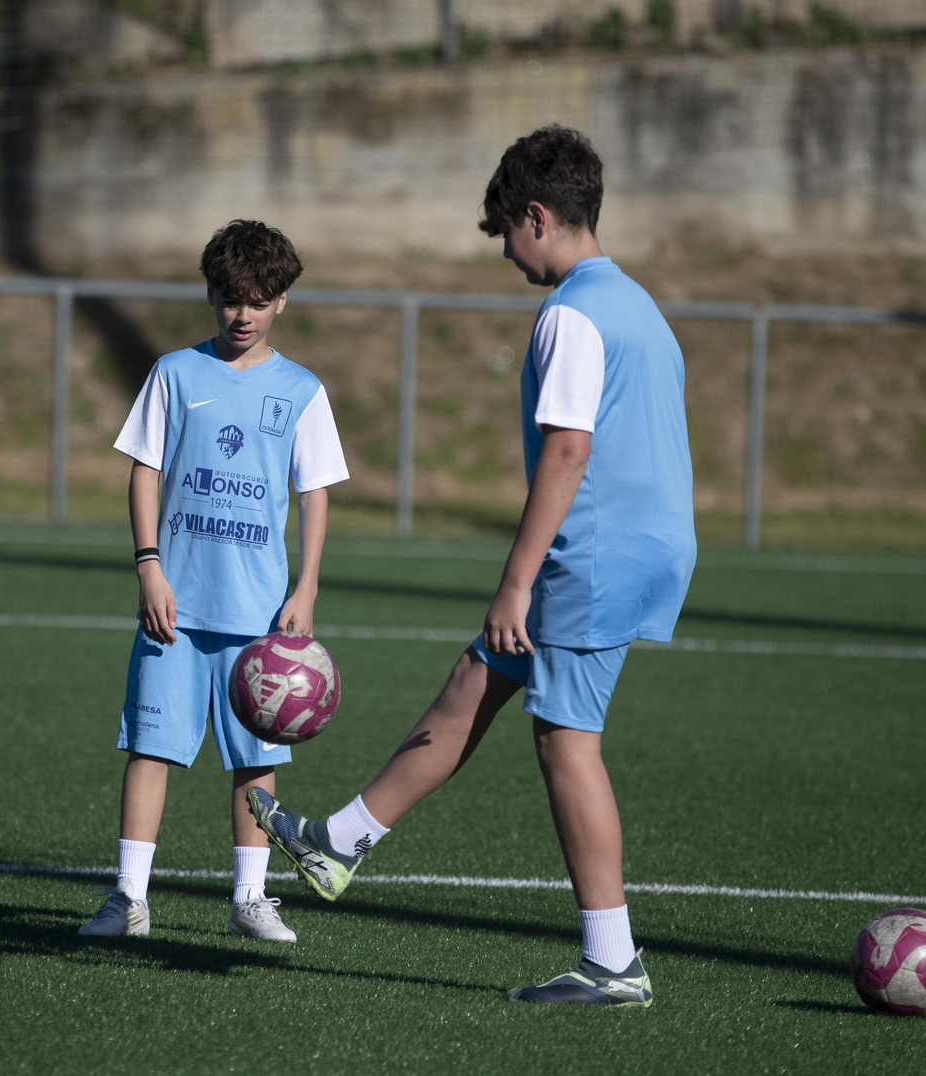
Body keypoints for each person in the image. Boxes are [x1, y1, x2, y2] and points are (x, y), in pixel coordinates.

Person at [249, 126, 697, 1006]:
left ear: (537, 215)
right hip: (650, 544)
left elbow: (569, 452)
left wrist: (518, 580)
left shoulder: (570, 312)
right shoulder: (637, 303)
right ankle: (341, 841)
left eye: (505, 232)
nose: (507, 253)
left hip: (594, 553)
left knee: (565, 740)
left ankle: (614, 962)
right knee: (479, 676)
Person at [79, 220, 350, 942]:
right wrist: (149, 567)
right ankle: (127, 899)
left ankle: (250, 899)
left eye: (259, 300)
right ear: (210, 295)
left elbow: (314, 492)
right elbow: (145, 469)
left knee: (257, 759)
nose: (243, 314)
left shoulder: (301, 390)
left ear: (282, 302)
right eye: (231, 299)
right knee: (152, 746)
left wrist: (306, 587)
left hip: (259, 612)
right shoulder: (174, 373)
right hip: (175, 603)